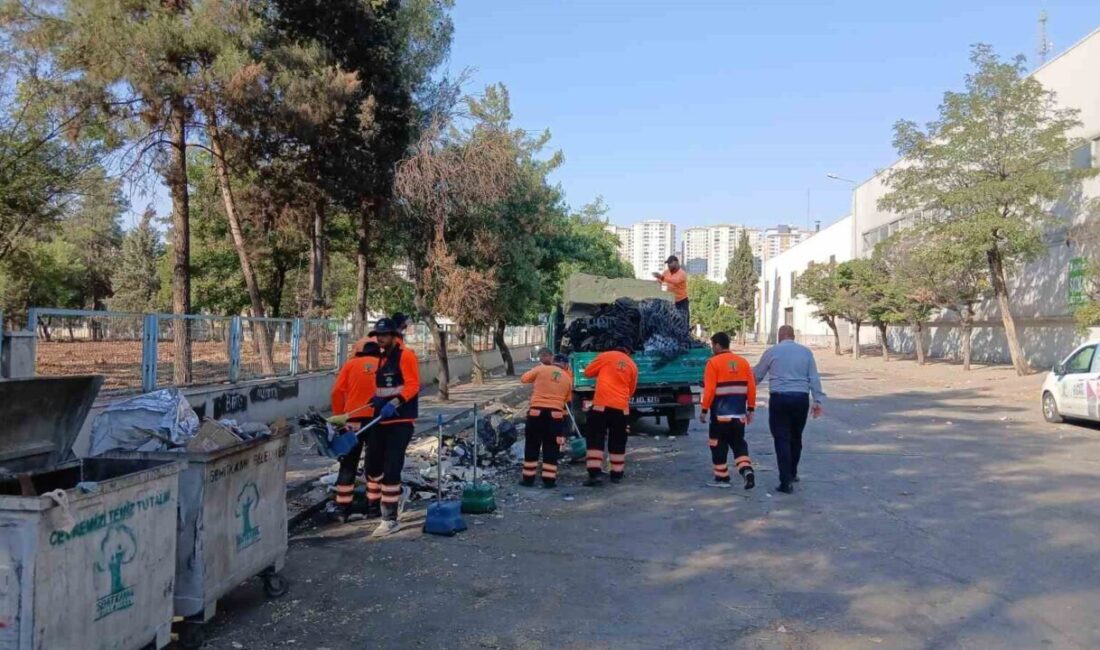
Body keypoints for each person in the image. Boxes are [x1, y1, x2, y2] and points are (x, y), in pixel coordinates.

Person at [753, 325, 825, 494]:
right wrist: (818, 400)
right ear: (793, 336)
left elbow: (756, 375)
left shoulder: (772, 352)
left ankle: (785, 481)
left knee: (781, 438)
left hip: (780, 399)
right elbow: (813, 377)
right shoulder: (806, 352)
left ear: (779, 336)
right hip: (800, 399)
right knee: (796, 436)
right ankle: (792, 473)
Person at [367, 318, 421, 536]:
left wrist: (395, 402)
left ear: (393, 335)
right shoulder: (382, 358)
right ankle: (387, 501)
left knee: (391, 467)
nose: (380, 338)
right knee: (372, 466)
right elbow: (383, 387)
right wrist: (377, 399)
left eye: (384, 335)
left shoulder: (405, 355)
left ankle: (389, 519)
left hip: (400, 420)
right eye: (378, 335)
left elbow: (413, 385)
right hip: (381, 419)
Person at [330, 337, 383, 520]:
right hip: (377, 420)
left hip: (352, 420)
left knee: (348, 464)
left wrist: (340, 416)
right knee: (374, 464)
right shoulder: (384, 364)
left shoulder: (350, 365)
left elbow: (336, 392)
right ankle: (374, 510)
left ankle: (342, 510)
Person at [699, 332, 756, 490]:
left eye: (712, 345)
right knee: (738, 444)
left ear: (717, 345)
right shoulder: (743, 362)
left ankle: (722, 477)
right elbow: (751, 387)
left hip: (720, 415)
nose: (712, 348)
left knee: (717, 444)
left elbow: (710, 390)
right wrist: (750, 408)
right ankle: (746, 470)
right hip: (739, 415)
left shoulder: (713, 363)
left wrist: (704, 410)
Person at [582, 346, 639, 486]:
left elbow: (588, 372)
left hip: (601, 407)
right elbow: (631, 390)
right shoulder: (632, 364)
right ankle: (617, 475)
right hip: (621, 409)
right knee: (618, 441)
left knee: (595, 439)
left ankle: (594, 475)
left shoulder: (606, 356)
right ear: (628, 352)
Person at [519, 358, 572, 488]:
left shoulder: (541, 369)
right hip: (555, 416)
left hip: (536, 413)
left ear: (553, 362)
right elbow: (567, 400)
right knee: (551, 447)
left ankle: (528, 479)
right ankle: (549, 481)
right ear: (565, 365)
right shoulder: (567, 378)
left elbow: (524, 379)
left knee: (532, 445)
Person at [652, 255, 689, 320]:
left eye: (670, 263)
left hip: (681, 301)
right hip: (669, 300)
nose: (669, 265)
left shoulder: (682, 274)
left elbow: (675, 281)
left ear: (677, 263)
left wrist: (661, 278)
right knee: (670, 320)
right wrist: (656, 283)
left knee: (683, 320)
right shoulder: (666, 272)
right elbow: (660, 282)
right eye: (668, 263)